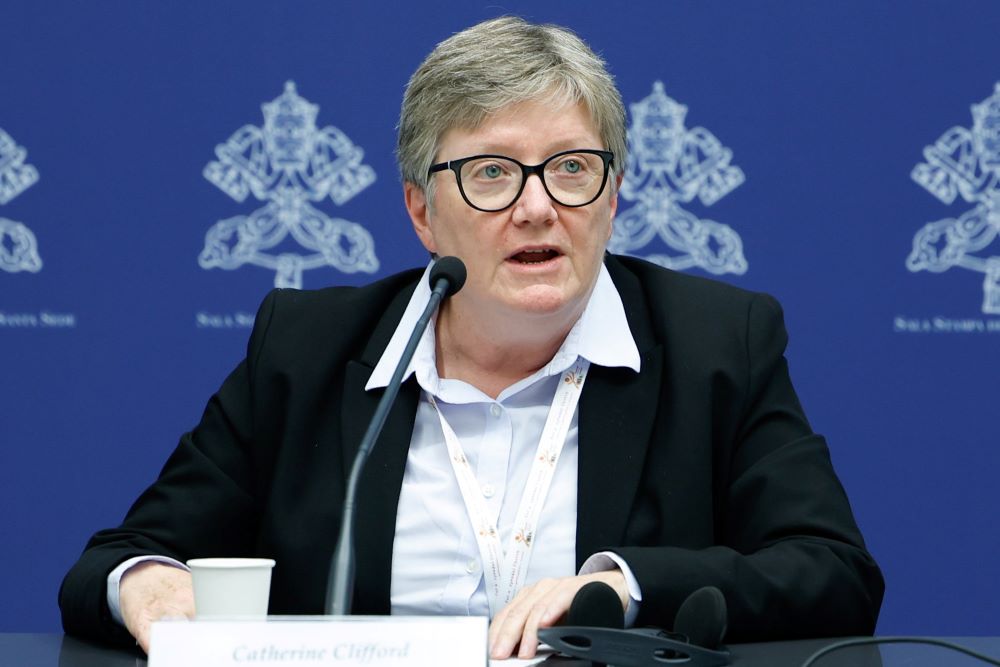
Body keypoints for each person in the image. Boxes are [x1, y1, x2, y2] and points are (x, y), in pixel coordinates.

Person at [60, 16, 884, 659]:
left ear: (614, 197)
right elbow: (122, 559)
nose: (536, 206)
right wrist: (152, 587)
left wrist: (625, 583)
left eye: (571, 167)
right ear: (421, 211)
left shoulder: (716, 345)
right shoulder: (308, 348)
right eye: (492, 171)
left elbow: (833, 571)